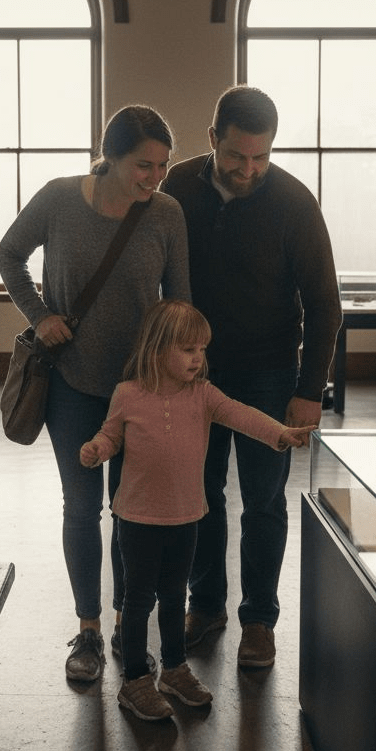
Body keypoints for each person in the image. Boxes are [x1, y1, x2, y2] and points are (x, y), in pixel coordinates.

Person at [0, 105, 191, 683]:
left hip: (141, 389)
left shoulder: (167, 212)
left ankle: (127, 623)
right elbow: (10, 254)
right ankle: (86, 631)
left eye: (162, 166)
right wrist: (39, 315)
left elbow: (180, 298)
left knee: (132, 515)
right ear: (110, 156)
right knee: (82, 507)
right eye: (142, 165)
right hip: (73, 384)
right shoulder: (58, 198)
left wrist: (180, 371)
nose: (153, 178)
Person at [160, 86, 342, 668]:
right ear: (213, 138)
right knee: (201, 495)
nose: (249, 169)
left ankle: (259, 620)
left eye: (261, 157)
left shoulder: (293, 201)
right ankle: (206, 603)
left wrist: (310, 389)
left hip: (269, 372)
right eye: (237, 156)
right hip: (195, 371)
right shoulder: (179, 188)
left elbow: (324, 302)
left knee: (264, 500)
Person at [80, 300, 314, 720]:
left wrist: (280, 433)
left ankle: (173, 670)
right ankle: (134, 681)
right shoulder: (128, 394)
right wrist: (98, 449)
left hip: (186, 516)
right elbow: (110, 434)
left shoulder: (203, 395)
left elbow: (242, 415)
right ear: (156, 350)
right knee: (137, 602)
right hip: (136, 519)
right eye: (188, 349)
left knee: (174, 598)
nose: (198, 358)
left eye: (202, 350)